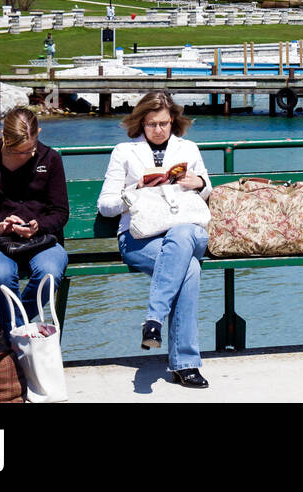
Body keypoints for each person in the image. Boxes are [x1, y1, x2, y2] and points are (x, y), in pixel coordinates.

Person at [97, 91, 213, 388]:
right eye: (151, 124)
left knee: (182, 231)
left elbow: (207, 188)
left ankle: (153, 320)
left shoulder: (188, 148)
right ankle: (185, 365)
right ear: (141, 123)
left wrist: (197, 183)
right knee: (189, 270)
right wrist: (134, 189)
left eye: (164, 123)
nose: (159, 130)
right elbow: (105, 206)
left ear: (173, 121)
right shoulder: (124, 152)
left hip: (186, 231)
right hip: (140, 238)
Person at [0, 107, 69, 333]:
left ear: (38, 132)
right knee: (1, 274)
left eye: (30, 149)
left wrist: (39, 227)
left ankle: (8, 333)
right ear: (3, 136)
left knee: (49, 274)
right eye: (17, 151)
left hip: (42, 242)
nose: (26, 156)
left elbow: (60, 213)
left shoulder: (50, 159)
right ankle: (17, 339)